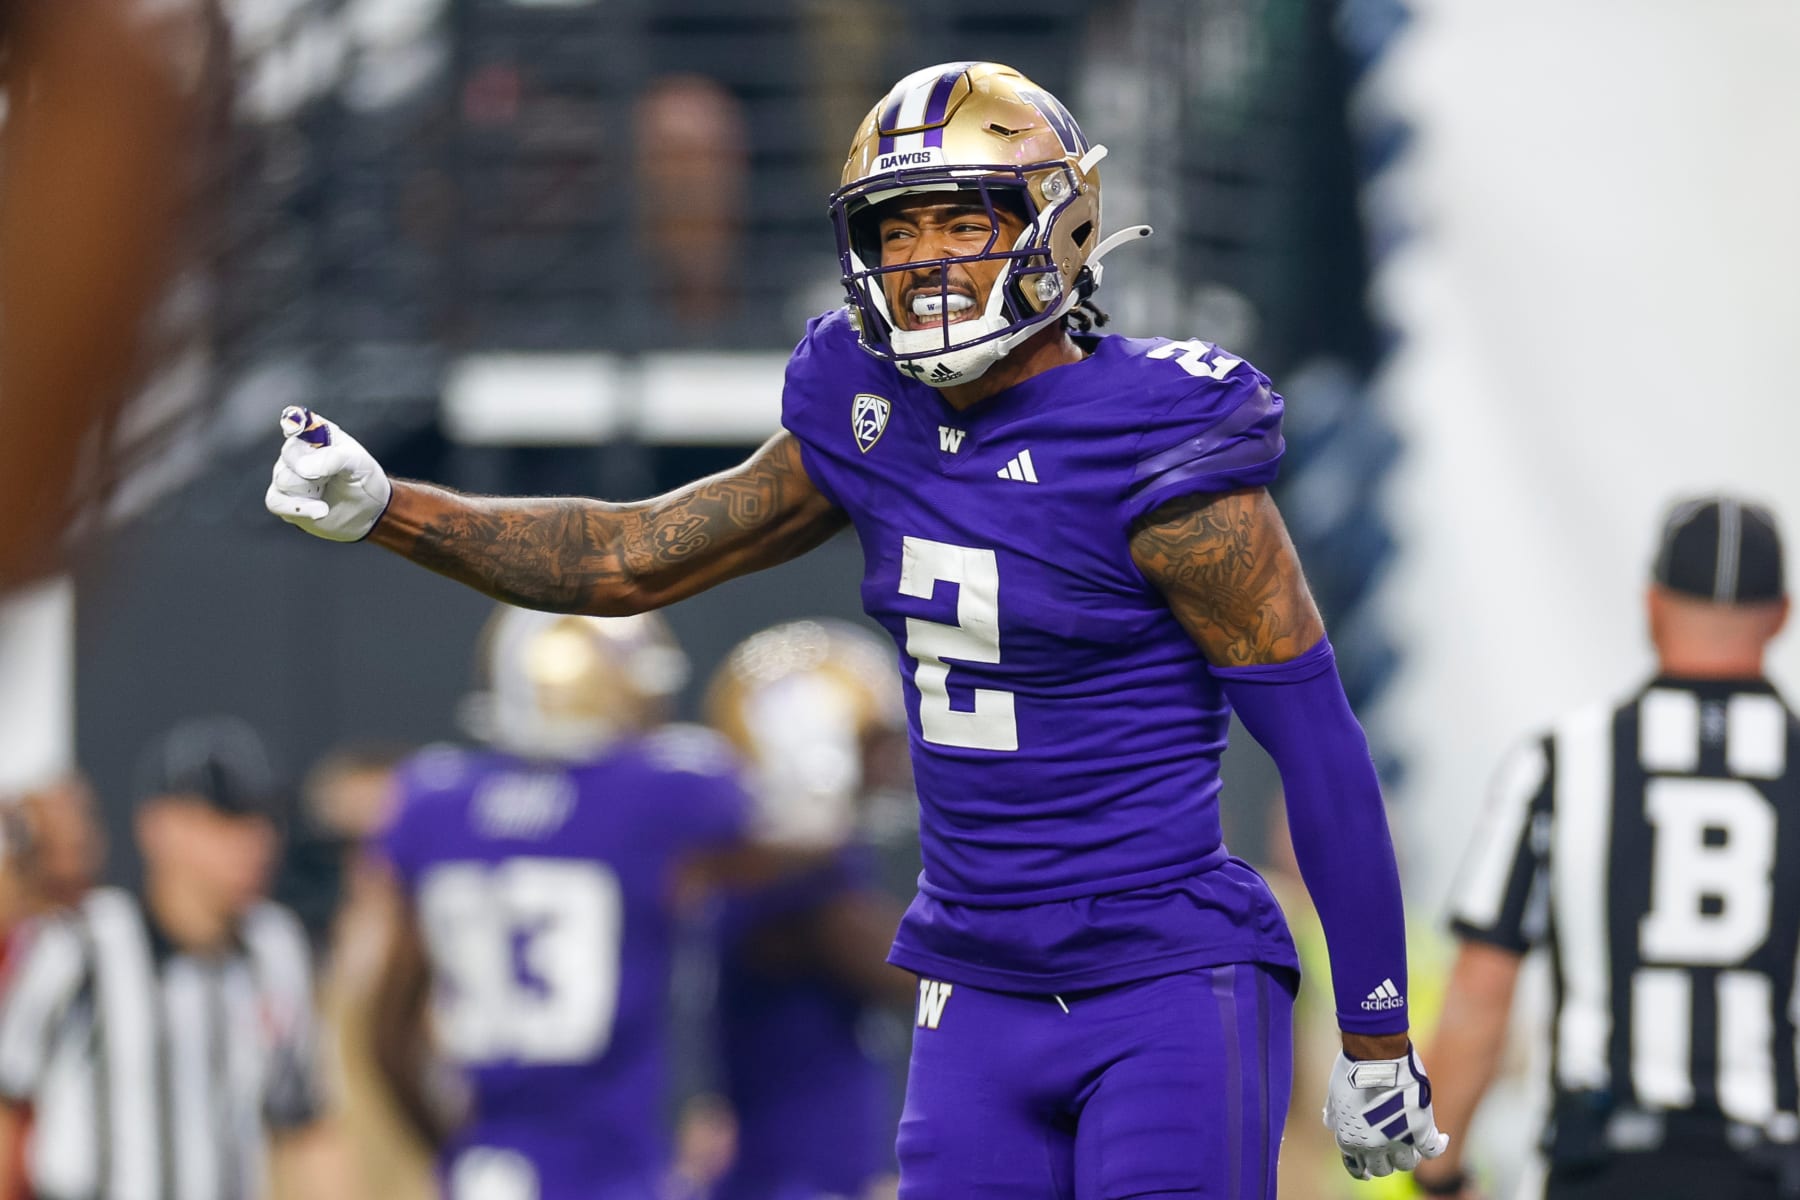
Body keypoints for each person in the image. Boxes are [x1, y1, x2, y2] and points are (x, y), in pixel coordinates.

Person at [267, 61, 1444, 1195]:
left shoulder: (1161, 440)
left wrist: (1378, 1029)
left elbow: (1322, 748)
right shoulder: (862, 410)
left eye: (961, 220)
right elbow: (630, 554)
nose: (925, 259)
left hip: (1164, 979)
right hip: (971, 983)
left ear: (1061, 222)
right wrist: (391, 508)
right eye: (898, 229)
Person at [1413, 496, 1800, 1200]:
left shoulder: (1562, 763)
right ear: (1781, 614)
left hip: (1602, 1167)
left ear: (1651, 606)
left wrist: (1440, 1173)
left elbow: (1481, 992)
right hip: (1768, 1169)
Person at [368, 605, 754, 1200]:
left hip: (485, 1170)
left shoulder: (434, 802)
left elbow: (389, 1029)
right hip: (607, 1170)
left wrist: (450, 1147)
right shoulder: (658, 795)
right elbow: (789, 843)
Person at [0, 716, 356, 1200]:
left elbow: (304, 1124)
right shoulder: (80, 946)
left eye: (263, 820)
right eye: (224, 819)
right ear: (159, 826)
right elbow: (8, 1103)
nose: (253, 842)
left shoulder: (276, 949)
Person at [703, 619, 918, 1200]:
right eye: (872, 742)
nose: (893, 762)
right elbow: (913, 974)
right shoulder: (788, 887)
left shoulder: (810, 871)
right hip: (785, 1183)